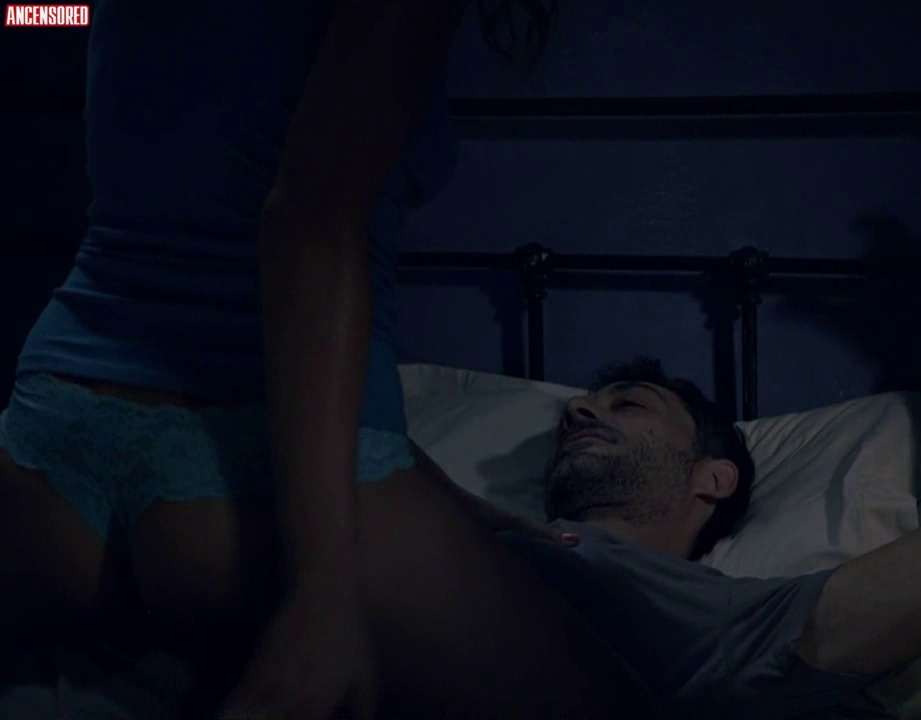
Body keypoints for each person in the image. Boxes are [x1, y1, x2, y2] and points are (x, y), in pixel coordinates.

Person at [0, 1, 655, 718]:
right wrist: (323, 598)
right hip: (232, 486)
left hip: (48, 445)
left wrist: (455, 506)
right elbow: (309, 223)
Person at [498, 101, 921, 718]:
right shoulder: (494, 539)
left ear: (714, 477)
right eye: (579, 409)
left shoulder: (725, 623)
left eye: (627, 403)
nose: (577, 412)